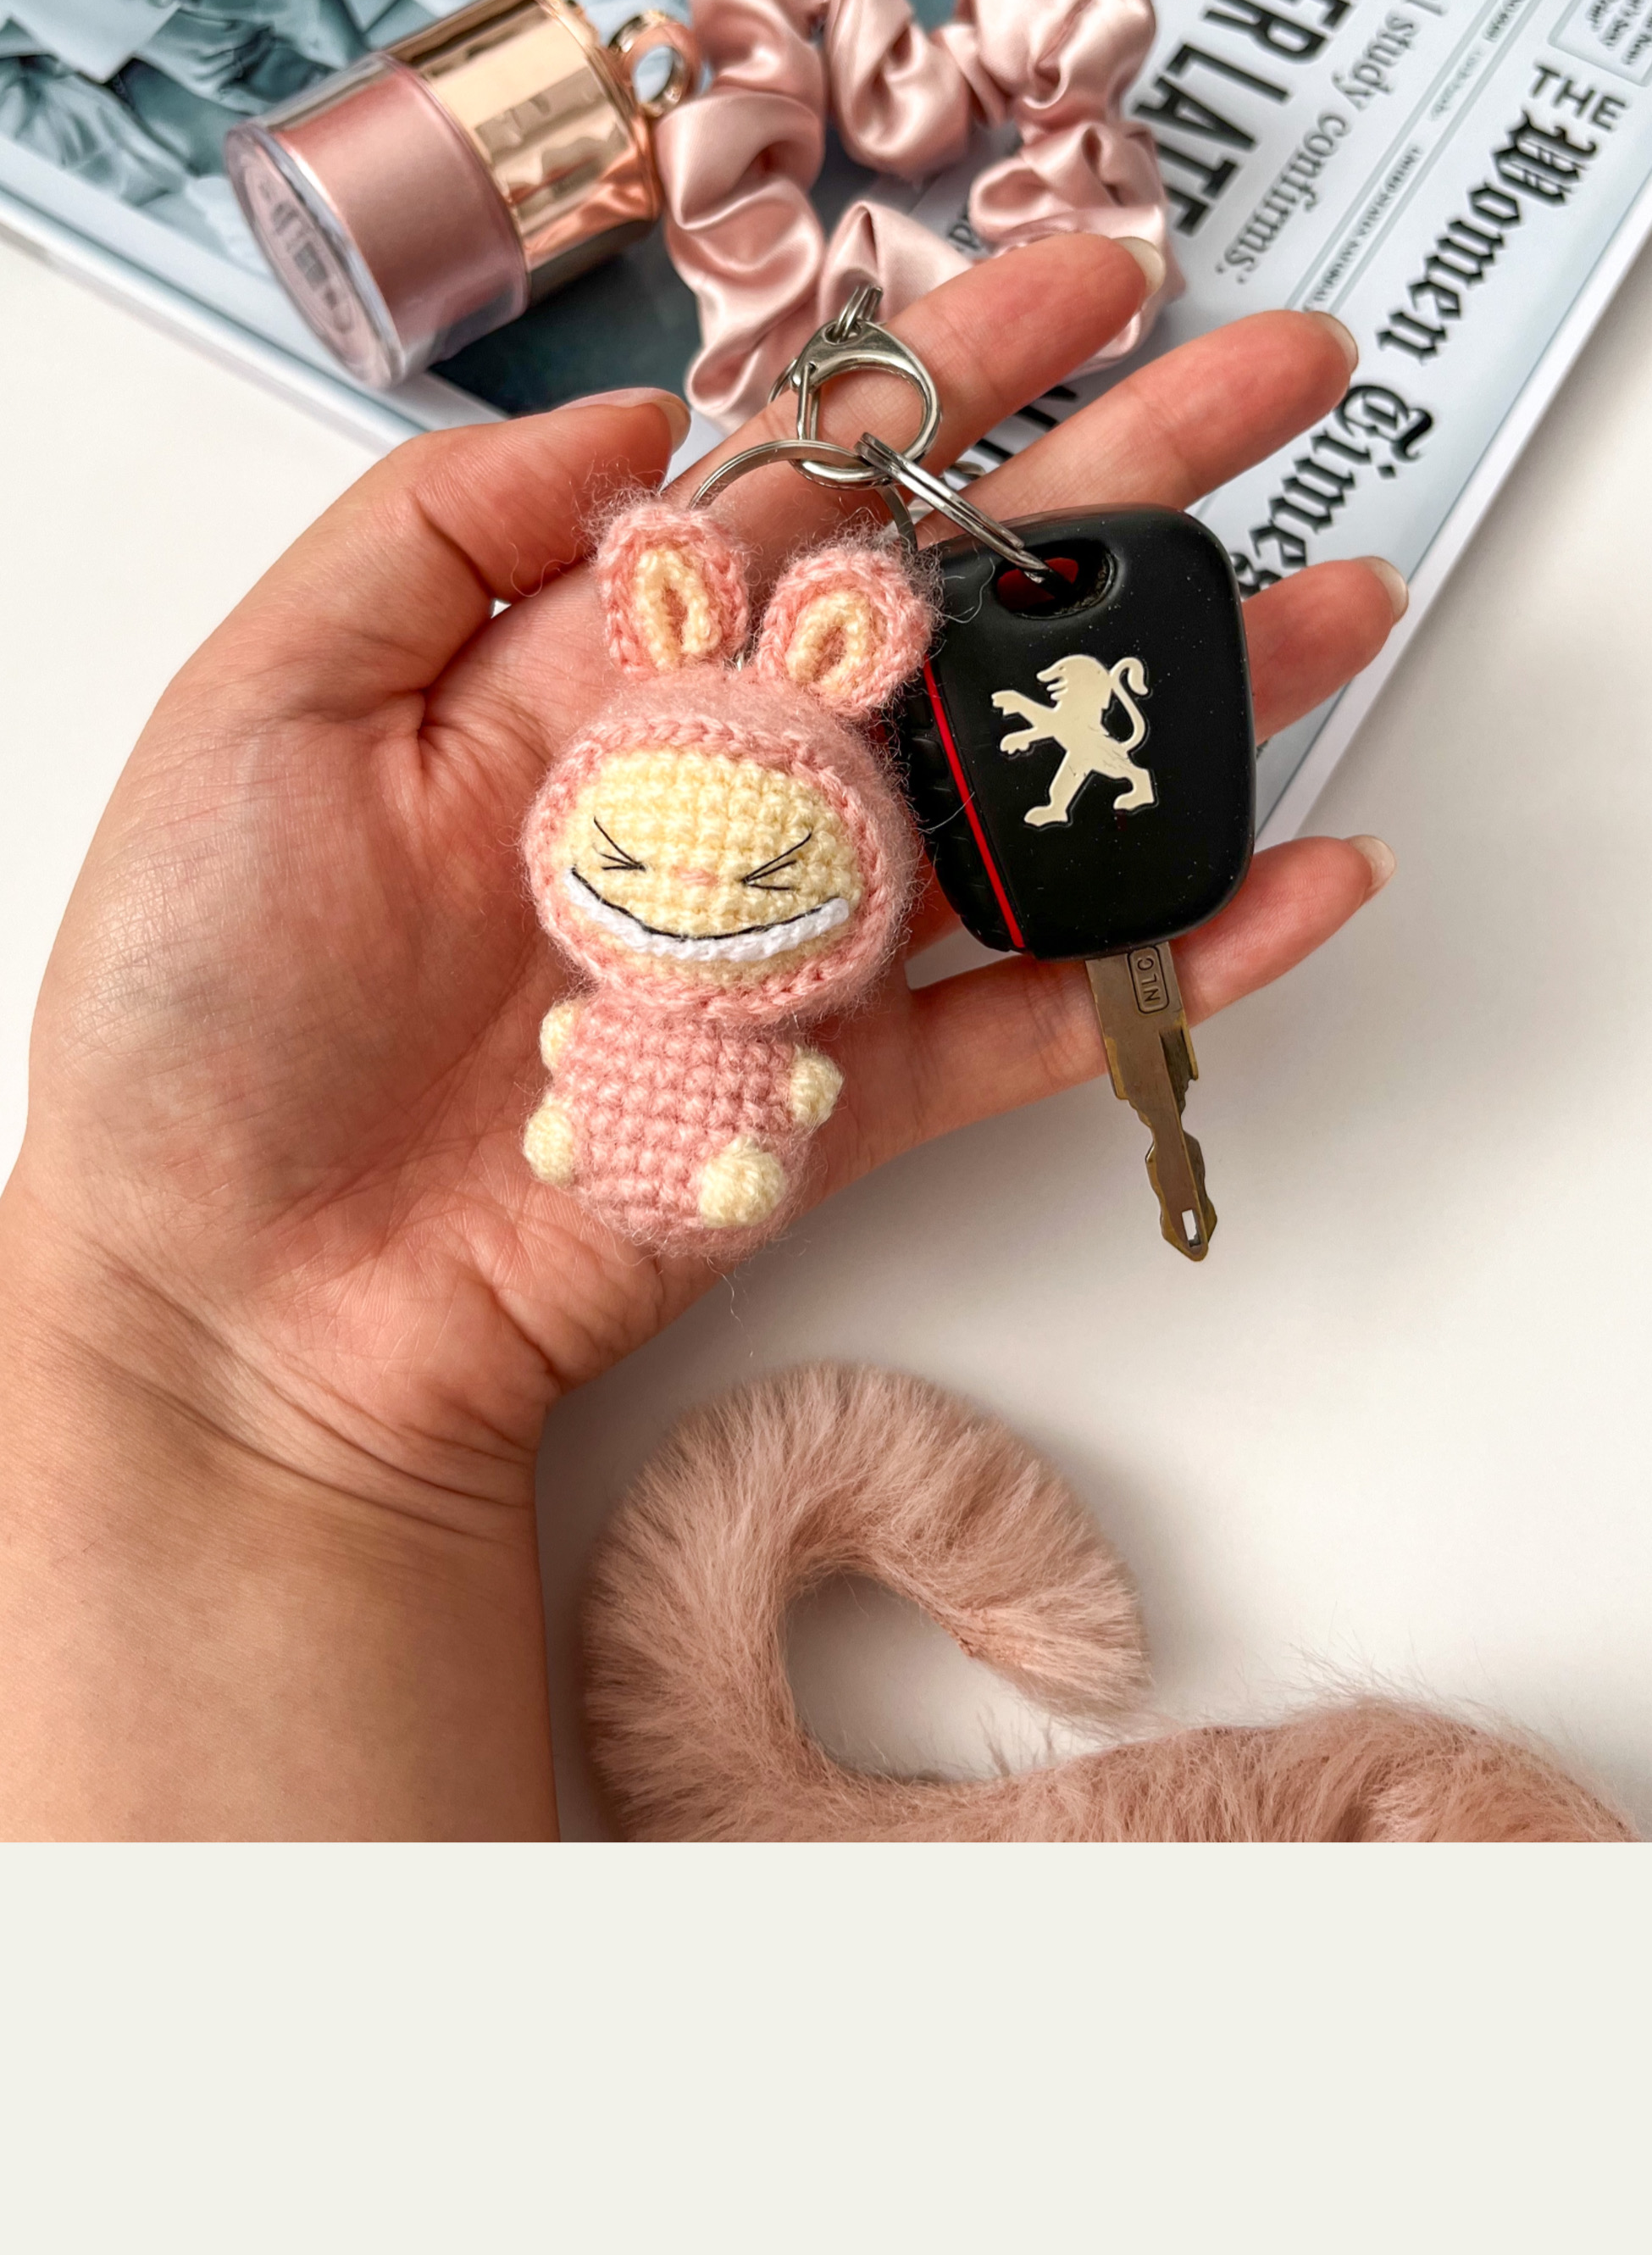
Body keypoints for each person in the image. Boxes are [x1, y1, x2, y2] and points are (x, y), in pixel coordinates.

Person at [0, 239, 1402, 1839]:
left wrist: (202, 1358)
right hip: (600, 1095)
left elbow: (794, 1066)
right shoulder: (597, 956)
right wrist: (177, 1325)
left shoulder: (784, 928)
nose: (688, 900)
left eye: (753, 879)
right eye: (630, 864)